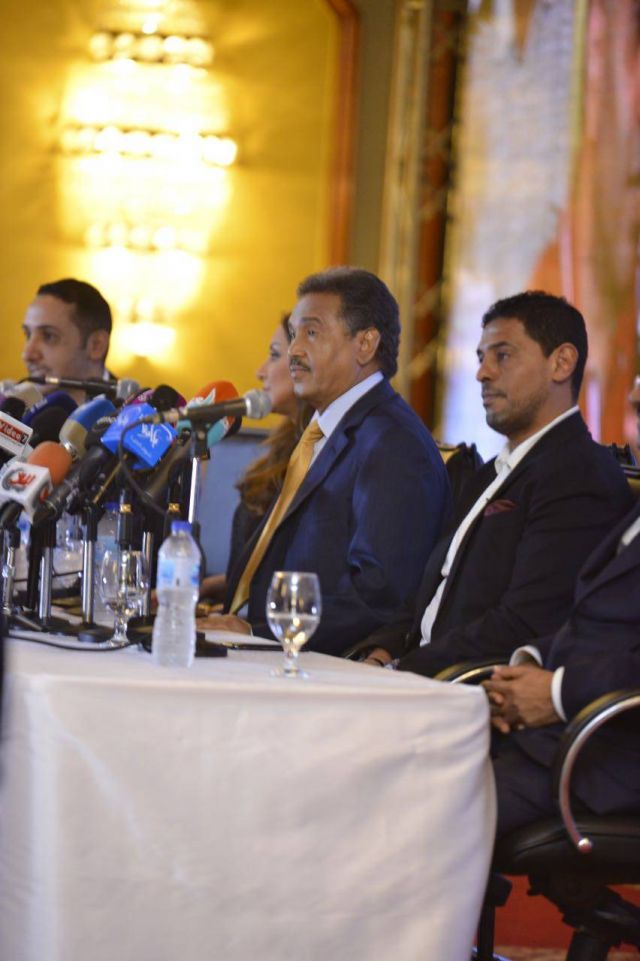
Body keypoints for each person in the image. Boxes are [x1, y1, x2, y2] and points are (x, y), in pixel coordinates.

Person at [360, 290, 634, 675]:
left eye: (502, 355)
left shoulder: (579, 476)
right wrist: (381, 652)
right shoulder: (490, 472)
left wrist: (403, 669)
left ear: (561, 363)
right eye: (481, 358)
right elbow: (430, 593)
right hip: (416, 675)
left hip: (466, 687)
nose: (482, 373)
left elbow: (523, 624)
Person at [204, 266, 451, 654]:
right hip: (254, 643)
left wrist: (257, 631)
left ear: (365, 344)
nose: (294, 351)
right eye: (294, 335)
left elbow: (378, 595)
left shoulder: (393, 443)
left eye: (312, 333)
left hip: (308, 661)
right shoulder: (325, 430)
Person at [485, 498, 640, 837]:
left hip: (608, 758)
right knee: (405, 763)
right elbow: (599, 625)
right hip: (557, 738)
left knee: (427, 811)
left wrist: (556, 693)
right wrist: (531, 665)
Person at [198, 315, 309, 604]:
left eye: (274, 355)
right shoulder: (284, 446)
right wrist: (213, 587)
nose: (260, 372)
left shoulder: (317, 456)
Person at [21, 278, 113, 404]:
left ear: (96, 345)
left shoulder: (136, 412)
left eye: (49, 336)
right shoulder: (15, 408)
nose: (27, 355)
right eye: (28, 334)